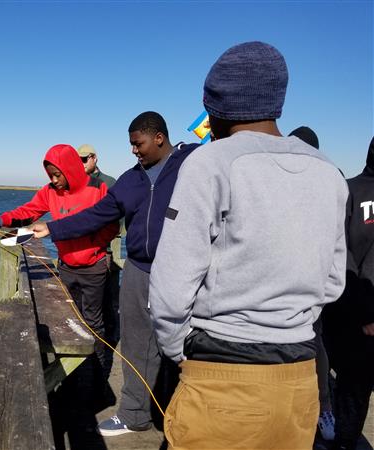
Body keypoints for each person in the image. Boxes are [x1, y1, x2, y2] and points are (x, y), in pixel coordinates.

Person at [149, 41, 348, 449]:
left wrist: (179, 350)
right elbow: (332, 282)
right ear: (278, 100)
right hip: (300, 377)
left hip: (221, 372)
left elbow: (170, 290)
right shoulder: (328, 171)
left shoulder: (209, 163)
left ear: (214, 107)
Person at [31, 112, 200, 436]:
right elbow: (96, 216)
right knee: (136, 344)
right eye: (131, 145)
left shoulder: (191, 161)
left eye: (138, 144)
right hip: (138, 269)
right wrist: (52, 228)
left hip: (181, 269)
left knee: (181, 346)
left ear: (159, 138)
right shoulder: (130, 180)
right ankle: (134, 413)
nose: (134, 151)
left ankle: (176, 410)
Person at [0, 144, 119, 385]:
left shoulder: (98, 188)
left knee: (93, 324)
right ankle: (75, 378)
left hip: (93, 267)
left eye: (57, 174)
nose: (54, 179)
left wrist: (93, 245)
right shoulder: (49, 191)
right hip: (66, 267)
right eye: (50, 174)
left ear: (70, 169)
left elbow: (111, 224)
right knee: (72, 322)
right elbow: (28, 212)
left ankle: (99, 378)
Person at [323, 136, 374, 450]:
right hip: (352, 313)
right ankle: (343, 440)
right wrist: (366, 314)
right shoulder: (349, 191)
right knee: (351, 386)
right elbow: (341, 254)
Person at [289, 125, 336, 441]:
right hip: (290, 280)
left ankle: (324, 408)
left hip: (313, 284)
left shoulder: (329, 181)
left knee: (314, 347)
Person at [78, 144, 121, 350]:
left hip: (109, 242)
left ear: (94, 158)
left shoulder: (110, 182)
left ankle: (112, 336)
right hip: (87, 245)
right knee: (88, 296)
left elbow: (118, 215)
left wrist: (111, 241)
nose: (81, 163)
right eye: (78, 160)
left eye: (84, 159)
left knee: (111, 293)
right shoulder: (77, 183)